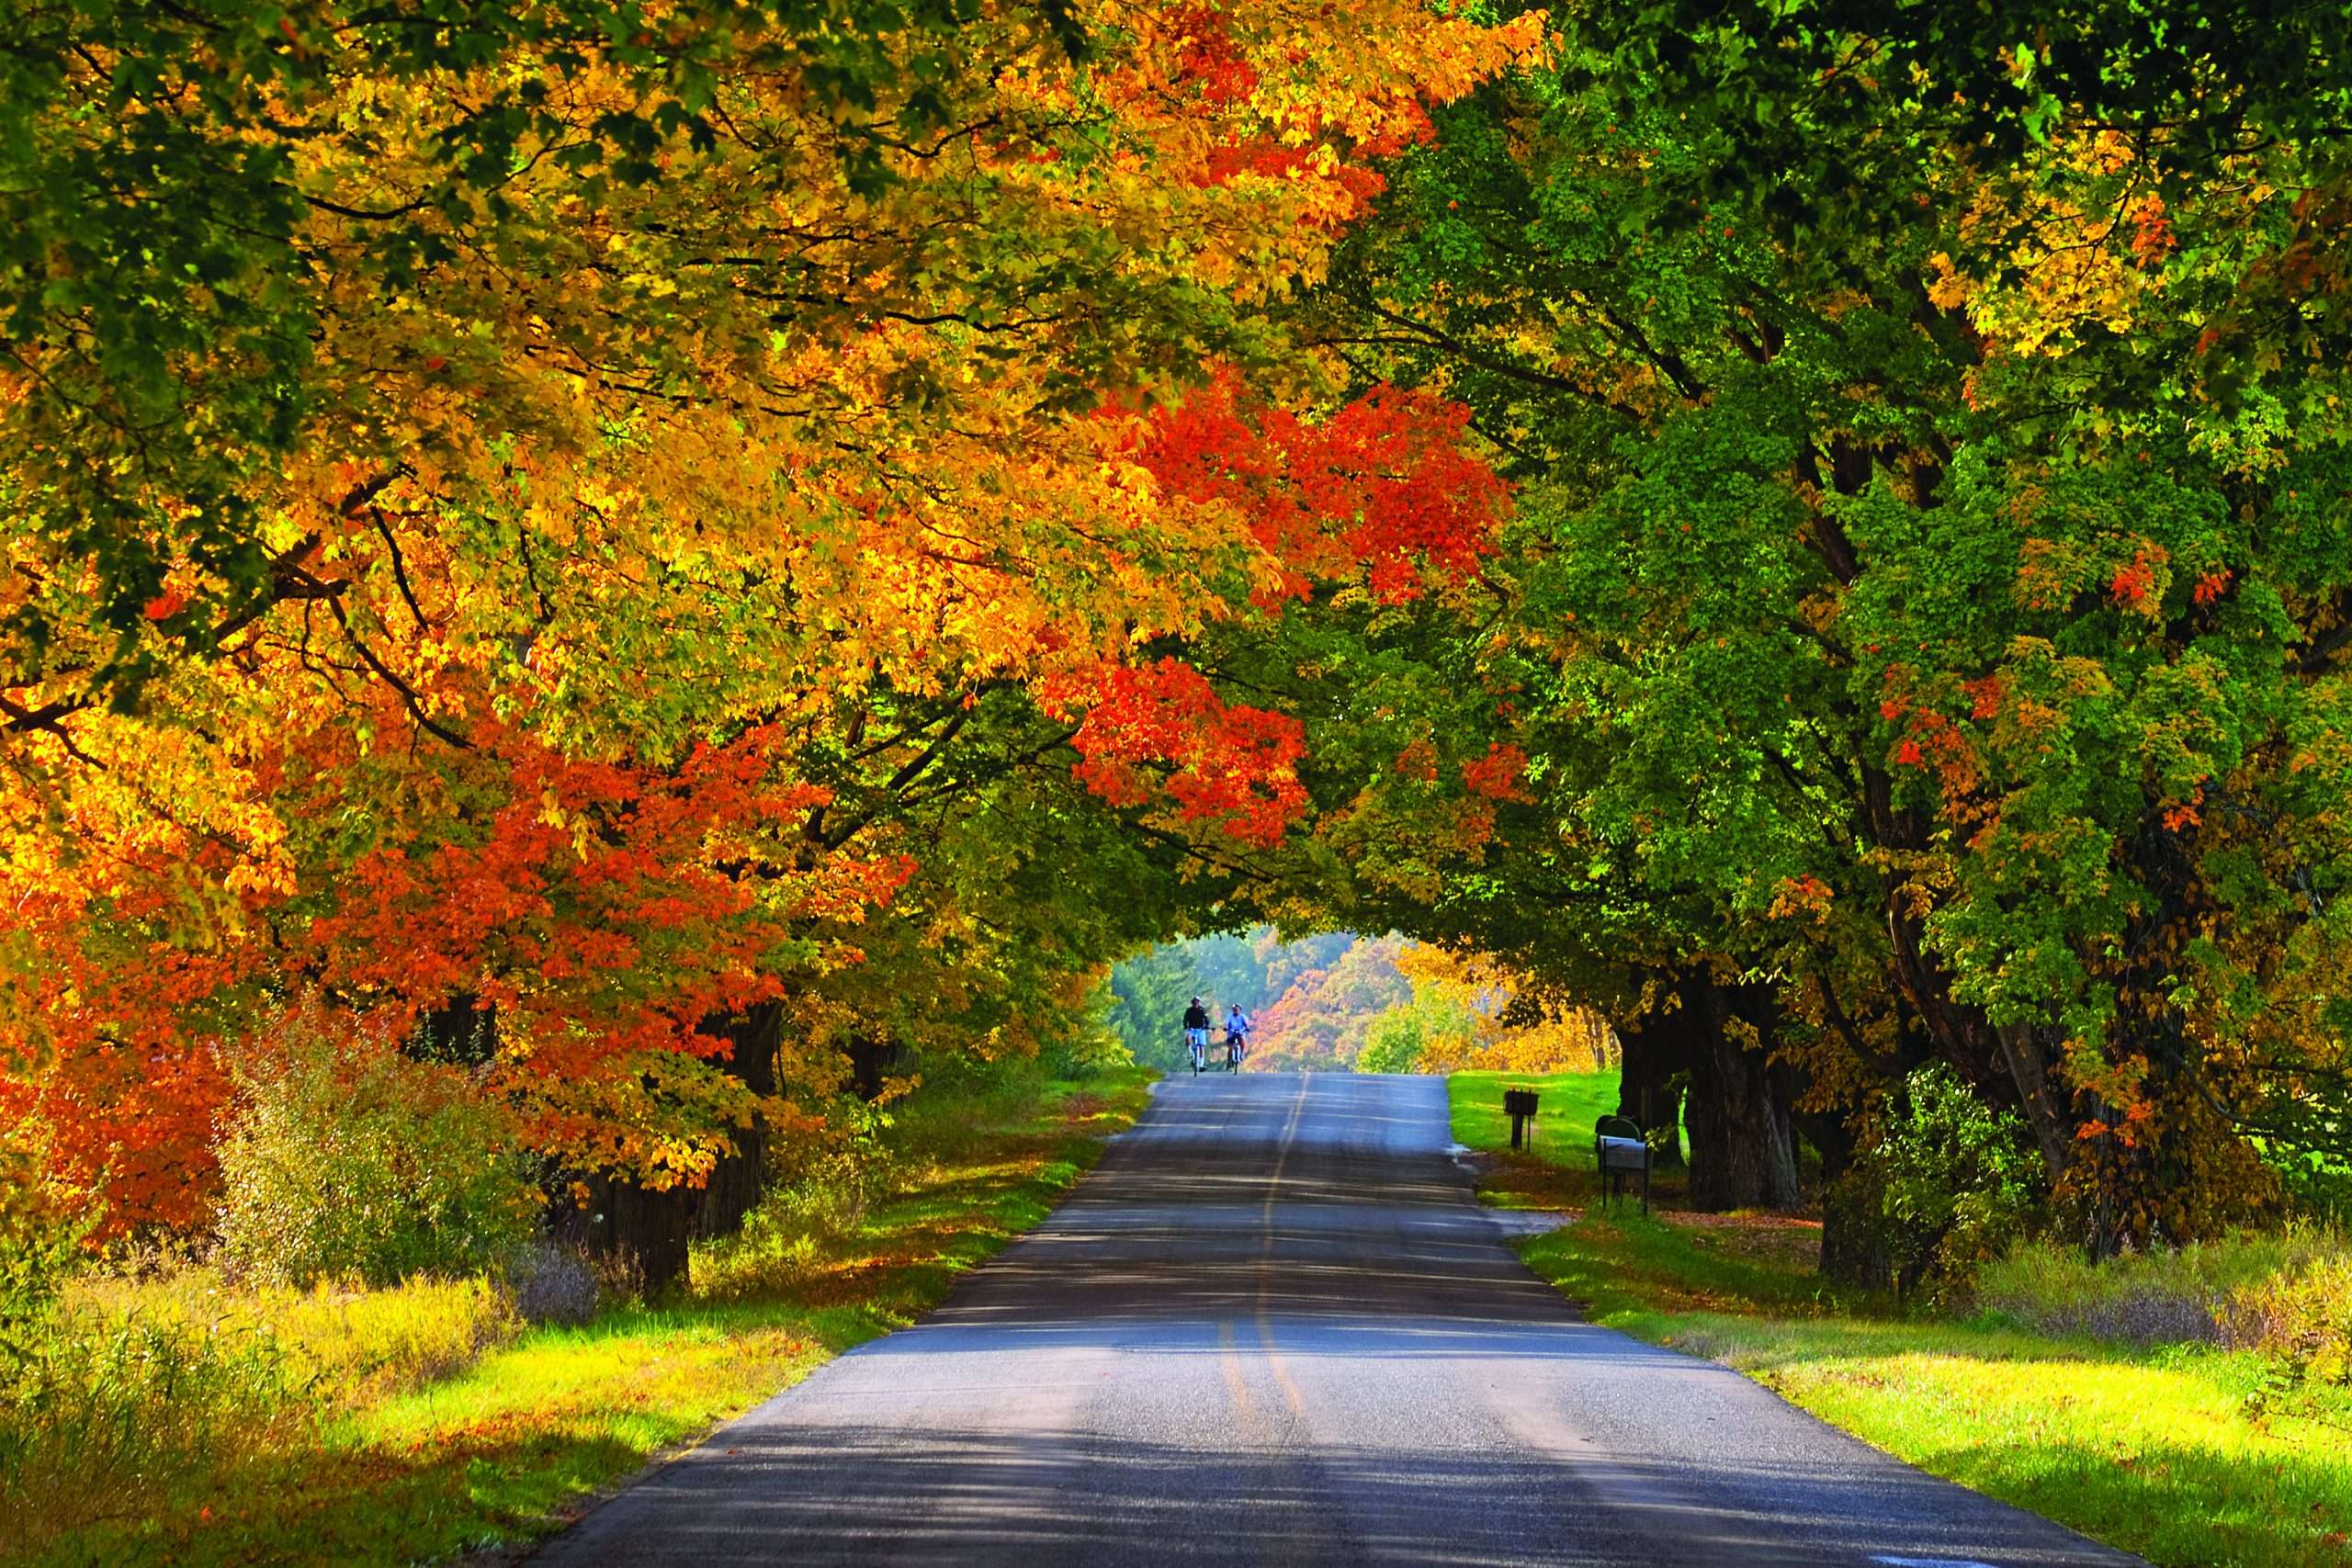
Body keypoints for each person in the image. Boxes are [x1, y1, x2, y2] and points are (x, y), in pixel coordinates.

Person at [1182, 997, 1211, 1072]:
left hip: (1200, 1029)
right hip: (1191, 1029)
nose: (1195, 1003)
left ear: (1199, 1002)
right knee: (1188, 1037)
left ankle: (1201, 1065)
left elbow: (1206, 1019)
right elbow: (1185, 1019)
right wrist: (1185, 1025)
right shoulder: (1189, 1010)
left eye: (1197, 1002)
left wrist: (1207, 1026)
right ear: (1192, 1003)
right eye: (1194, 1002)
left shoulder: (1202, 1010)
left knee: (1201, 1046)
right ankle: (1190, 1052)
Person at [1223, 1004, 1251, 1068]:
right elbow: (1226, 1023)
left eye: (1237, 1009)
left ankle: (1241, 1053)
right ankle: (1229, 1061)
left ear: (1240, 1010)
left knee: (1242, 1039)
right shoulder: (1230, 1016)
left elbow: (1246, 1024)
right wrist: (1226, 1027)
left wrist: (1247, 1028)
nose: (1236, 1011)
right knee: (1230, 1048)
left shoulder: (1243, 1017)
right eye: (1234, 1010)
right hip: (1231, 1033)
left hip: (1240, 1032)